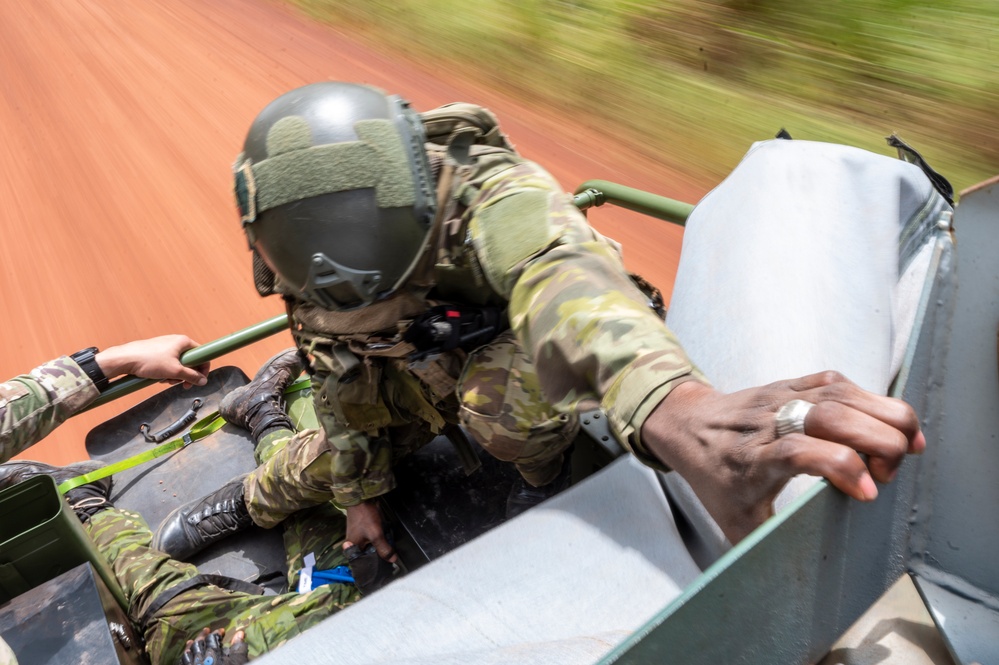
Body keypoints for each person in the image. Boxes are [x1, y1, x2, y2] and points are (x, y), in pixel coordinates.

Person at [150, 81, 928, 571]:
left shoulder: (486, 191)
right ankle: (258, 467)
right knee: (316, 468)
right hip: (402, 380)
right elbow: (337, 374)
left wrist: (675, 407)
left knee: (505, 407)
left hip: (508, 358)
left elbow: (562, 277)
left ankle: (540, 478)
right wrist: (359, 495)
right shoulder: (306, 242)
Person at [0, 346, 365, 665]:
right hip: (341, 617)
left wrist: (106, 364)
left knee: (168, 609)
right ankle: (262, 415)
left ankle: (87, 504)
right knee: (349, 561)